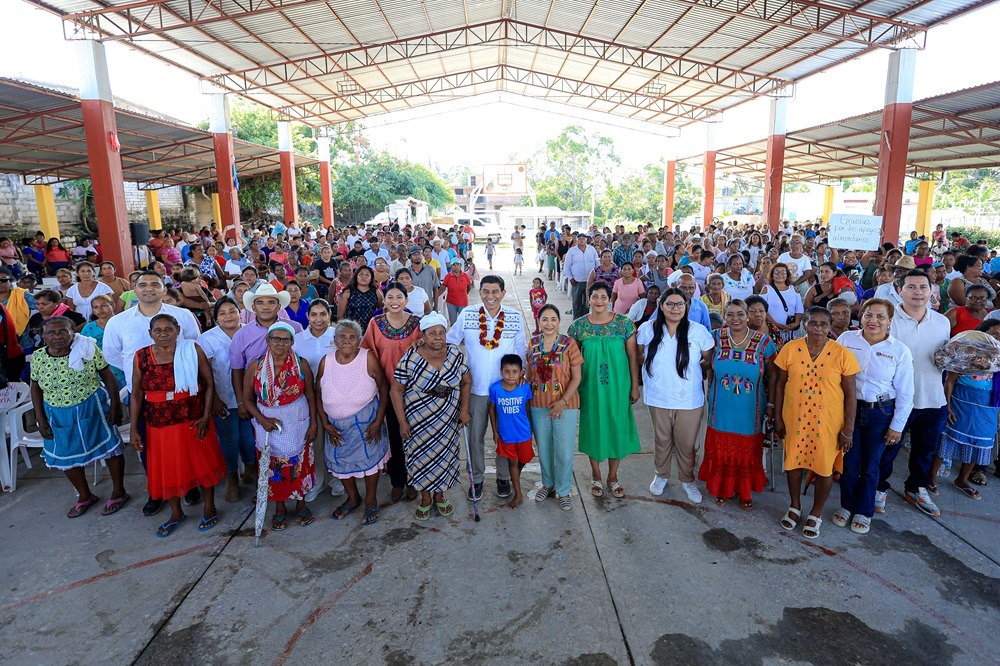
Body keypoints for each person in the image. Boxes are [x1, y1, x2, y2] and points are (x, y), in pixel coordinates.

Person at [129, 314, 225, 537]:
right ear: (150, 333)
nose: (163, 334)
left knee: (201, 463)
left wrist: (205, 415)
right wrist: (134, 428)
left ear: (178, 330)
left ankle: (209, 506)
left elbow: (209, 383)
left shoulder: (191, 349)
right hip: (159, 423)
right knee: (168, 467)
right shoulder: (141, 356)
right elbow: (137, 394)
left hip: (193, 419)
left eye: (168, 329)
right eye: (158, 330)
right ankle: (176, 512)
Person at [774, 307, 859, 539]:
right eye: (813, 323)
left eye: (823, 324)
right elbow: (780, 384)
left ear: (831, 327)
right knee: (793, 461)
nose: (818, 328)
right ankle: (794, 506)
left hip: (828, 423)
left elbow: (851, 395)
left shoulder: (842, 354)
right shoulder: (790, 349)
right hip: (795, 417)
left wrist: (848, 429)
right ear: (805, 325)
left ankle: (816, 513)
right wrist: (777, 416)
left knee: (824, 467)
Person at [30, 317, 128, 517]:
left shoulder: (87, 350)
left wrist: (115, 406)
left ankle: (119, 491)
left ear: (72, 332)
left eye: (63, 331)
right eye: (51, 333)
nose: (58, 336)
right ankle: (85, 496)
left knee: (109, 448)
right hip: (57, 414)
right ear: (43, 335)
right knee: (65, 456)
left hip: (91, 408)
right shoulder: (39, 356)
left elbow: (108, 376)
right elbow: (35, 386)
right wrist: (40, 417)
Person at [834, 299, 914, 534]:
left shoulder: (899, 350)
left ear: (889, 321)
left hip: (880, 412)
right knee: (849, 463)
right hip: (849, 410)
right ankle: (847, 506)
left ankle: (864, 510)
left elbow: (906, 393)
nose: (873, 321)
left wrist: (897, 426)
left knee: (871, 465)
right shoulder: (846, 340)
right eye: (869, 315)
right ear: (861, 316)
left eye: (880, 316)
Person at [875, 270, 951, 517]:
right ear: (900, 291)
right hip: (895, 400)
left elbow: (946, 360)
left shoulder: (942, 322)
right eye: (911, 287)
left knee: (924, 450)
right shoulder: (889, 319)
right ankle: (878, 488)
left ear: (931, 291)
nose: (917, 292)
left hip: (932, 398)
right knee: (887, 450)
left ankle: (916, 488)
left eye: (922, 287)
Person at [447, 276, 527, 501]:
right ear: (479, 292)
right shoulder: (468, 314)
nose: (490, 296)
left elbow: (520, 349)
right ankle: (477, 479)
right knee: (475, 437)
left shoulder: (514, 316)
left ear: (503, 293)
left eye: (495, 292)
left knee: (505, 436)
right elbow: (451, 341)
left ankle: (503, 477)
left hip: (506, 390)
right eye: (485, 291)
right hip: (476, 389)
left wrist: (522, 376)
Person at [637, 288, 715, 504]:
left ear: (686, 306)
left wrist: (693, 374)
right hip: (658, 396)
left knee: (687, 443)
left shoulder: (698, 331)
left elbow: (708, 359)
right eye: (670, 304)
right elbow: (638, 353)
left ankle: (687, 479)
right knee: (661, 440)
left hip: (689, 399)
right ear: (661, 306)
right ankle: (661, 475)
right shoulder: (647, 329)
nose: (675, 308)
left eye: (680, 304)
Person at [392, 312, 472, 520]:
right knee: (420, 458)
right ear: (423, 335)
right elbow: (396, 390)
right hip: (418, 421)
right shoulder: (410, 357)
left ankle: (440, 495)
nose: (437, 337)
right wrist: (401, 421)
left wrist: (464, 410)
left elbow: (466, 381)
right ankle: (425, 498)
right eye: (432, 333)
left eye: (441, 332)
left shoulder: (455, 354)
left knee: (445, 457)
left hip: (446, 420)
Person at [699, 299, 776, 509]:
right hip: (721, 405)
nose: (735, 319)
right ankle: (722, 488)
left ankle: (744, 491)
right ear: (724, 317)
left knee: (748, 447)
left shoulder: (764, 342)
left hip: (751, 407)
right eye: (730, 314)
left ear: (748, 316)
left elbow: (774, 376)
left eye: (740, 314)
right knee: (720, 445)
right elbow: (705, 364)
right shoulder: (715, 338)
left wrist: (771, 405)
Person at [243, 322, 318, 530]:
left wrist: (313, 424)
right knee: (272, 466)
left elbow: (310, 394)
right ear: (267, 341)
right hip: (267, 423)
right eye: (275, 338)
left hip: (297, 420)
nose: (280, 343)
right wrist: (263, 419)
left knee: (299, 463)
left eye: (285, 339)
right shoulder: (255, 366)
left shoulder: (300, 364)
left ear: (292, 342)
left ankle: (301, 505)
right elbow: (247, 399)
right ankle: (280, 508)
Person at [568, 282, 641, 498]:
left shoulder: (624, 324)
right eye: (595, 296)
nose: (599, 300)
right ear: (588, 299)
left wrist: (634, 386)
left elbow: (632, 357)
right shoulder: (579, 327)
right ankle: (596, 475)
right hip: (590, 387)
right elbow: (572, 361)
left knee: (616, 426)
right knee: (593, 427)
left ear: (610, 299)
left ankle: (613, 477)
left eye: (603, 296)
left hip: (619, 386)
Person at [315, 320, 390, 525]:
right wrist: (325, 423)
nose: (347, 341)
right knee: (340, 464)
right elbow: (318, 392)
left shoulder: (367, 358)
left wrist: (378, 420)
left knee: (370, 465)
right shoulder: (326, 360)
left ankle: (371, 500)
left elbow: (383, 388)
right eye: (342, 336)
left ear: (358, 340)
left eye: (352, 337)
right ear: (335, 340)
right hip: (335, 427)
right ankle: (353, 498)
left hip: (366, 423)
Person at [362, 282, 421, 502]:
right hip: (386, 390)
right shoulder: (375, 323)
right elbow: (368, 355)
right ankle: (398, 480)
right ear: (384, 300)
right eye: (390, 298)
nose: (394, 301)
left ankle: (415, 480)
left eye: (399, 297)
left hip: (415, 392)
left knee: (415, 437)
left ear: (406, 300)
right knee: (395, 436)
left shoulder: (417, 323)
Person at [197, 297, 257, 502]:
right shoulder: (208, 339)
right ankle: (232, 476)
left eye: (232, 311)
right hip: (222, 397)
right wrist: (213, 400)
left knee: (249, 438)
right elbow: (204, 375)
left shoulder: (251, 331)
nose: (228, 316)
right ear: (216, 318)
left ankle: (251, 470)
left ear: (240, 312)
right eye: (222, 313)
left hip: (252, 397)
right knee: (229, 439)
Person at [526, 304, 582, 511]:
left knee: (564, 451)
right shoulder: (532, 344)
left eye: (553, 319)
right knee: (544, 450)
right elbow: (529, 376)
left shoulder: (569, 344)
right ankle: (548, 484)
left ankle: (564, 490)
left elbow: (577, 377)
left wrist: (562, 401)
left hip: (566, 406)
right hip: (539, 405)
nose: (549, 324)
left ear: (559, 322)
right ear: (539, 322)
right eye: (544, 320)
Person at [488, 354, 534, 508]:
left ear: (521, 372)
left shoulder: (524, 387)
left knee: (524, 459)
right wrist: (494, 431)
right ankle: (518, 493)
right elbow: (492, 409)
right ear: (501, 372)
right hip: (506, 435)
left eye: (515, 372)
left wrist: (531, 428)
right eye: (507, 371)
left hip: (523, 433)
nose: (511, 375)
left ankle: (515, 476)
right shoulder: (495, 388)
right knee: (512, 462)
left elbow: (527, 408)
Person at [80, 293, 127, 389]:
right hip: (102, 370)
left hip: (125, 366)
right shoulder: (89, 328)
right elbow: (83, 350)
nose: (100, 310)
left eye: (104, 305)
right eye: (95, 307)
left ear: (113, 306)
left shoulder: (125, 322)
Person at [760, 263, 803, 344]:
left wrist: (796, 323)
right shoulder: (766, 289)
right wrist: (776, 324)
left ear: (787, 275)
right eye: (777, 272)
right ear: (772, 275)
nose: (780, 274)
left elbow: (799, 310)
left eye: (783, 272)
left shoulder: (793, 290)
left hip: (791, 332)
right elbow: (762, 310)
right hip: (772, 330)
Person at [564, 235, 599, 319]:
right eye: (579, 239)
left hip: (590, 281)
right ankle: (576, 322)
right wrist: (571, 278)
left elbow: (597, 263)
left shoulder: (592, 249)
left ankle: (585, 321)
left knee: (588, 303)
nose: (581, 241)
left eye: (583, 239)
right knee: (576, 303)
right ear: (577, 240)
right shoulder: (572, 251)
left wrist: (597, 276)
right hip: (577, 281)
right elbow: (567, 266)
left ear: (586, 240)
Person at [438, 259, 473, 326]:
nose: (456, 266)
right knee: (453, 323)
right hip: (451, 302)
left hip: (463, 302)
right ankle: (454, 336)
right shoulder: (448, 276)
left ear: (460, 265)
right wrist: (435, 296)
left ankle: (462, 336)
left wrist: (463, 294)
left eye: (457, 264)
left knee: (462, 322)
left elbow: (469, 287)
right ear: (451, 266)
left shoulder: (465, 276)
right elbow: (443, 287)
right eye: (454, 265)